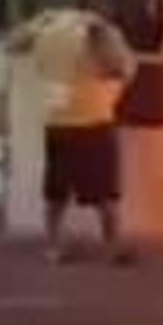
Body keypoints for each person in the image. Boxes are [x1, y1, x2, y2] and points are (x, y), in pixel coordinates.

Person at [38, 13, 134, 265]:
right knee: (105, 194)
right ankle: (114, 246)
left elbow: (39, 65)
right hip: (95, 124)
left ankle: (53, 245)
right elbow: (125, 70)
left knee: (57, 193)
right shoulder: (103, 43)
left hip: (59, 123)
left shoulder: (52, 38)